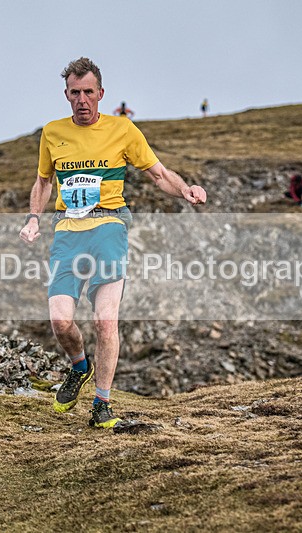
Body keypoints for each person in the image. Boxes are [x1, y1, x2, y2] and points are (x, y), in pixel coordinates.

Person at [19, 57, 206, 428]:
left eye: (89, 92)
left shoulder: (123, 129)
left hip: (109, 227)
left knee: (106, 322)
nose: (82, 100)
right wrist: (33, 219)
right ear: (66, 94)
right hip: (68, 232)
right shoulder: (53, 132)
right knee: (60, 321)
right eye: (75, 93)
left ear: (101, 94)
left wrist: (185, 189)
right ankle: (79, 366)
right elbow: (43, 182)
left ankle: (101, 403)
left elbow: (158, 174)